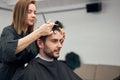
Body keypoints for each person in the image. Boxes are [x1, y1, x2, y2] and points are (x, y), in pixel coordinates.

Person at [0, 0, 55, 80]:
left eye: (35, 13)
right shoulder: (8, 31)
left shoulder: (32, 35)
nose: (33, 16)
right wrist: (39, 32)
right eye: (29, 12)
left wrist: (59, 39)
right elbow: (8, 50)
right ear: (20, 13)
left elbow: (47, 50)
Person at [12, 24, 82, 80]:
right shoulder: (29, 71)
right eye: (54, 41)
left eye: (60, 41)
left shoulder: (62, 67)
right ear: (40, 43)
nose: (60, 45)